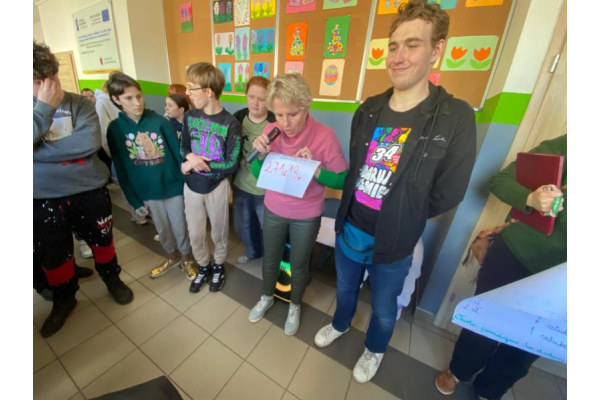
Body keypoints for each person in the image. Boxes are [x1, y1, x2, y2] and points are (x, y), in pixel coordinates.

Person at [313, 0, 477, 384]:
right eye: (393, 46)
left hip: (396, 240)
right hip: (351, 227)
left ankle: (375, 348)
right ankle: (340, 323)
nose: (398, 57)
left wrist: (407, 212)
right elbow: (356, 172)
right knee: (345, 288)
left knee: (385, 306)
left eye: (413, 45)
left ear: (436, 50)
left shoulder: (455, 116)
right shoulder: (369, 109)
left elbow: (449, 190)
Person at [435, 134, 567, 400]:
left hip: (566, 280)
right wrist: (530, 198)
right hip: (515, 255)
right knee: (484, 324)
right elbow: (501, 180)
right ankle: (459, 371)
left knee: (528, 346)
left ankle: (491, 389)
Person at [33, 42, 134, 337]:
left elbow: (88, 143)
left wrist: (37, 150)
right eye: (38, 82)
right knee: (54, 252)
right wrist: (43, 110)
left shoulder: (80, 104)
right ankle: (64, 298)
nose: (48, 87)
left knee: (102, 241)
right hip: (43, 198)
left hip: (90, 191)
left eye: (51, 77)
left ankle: (112, 279)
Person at [247, 73, 348, 336]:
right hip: (274, 207)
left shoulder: (324, 136)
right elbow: (259, 174)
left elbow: (342, 179)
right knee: (271, 258)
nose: (285, 122)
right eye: (279, 114)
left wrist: (316, 170)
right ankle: (267, 297)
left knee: (299, 264)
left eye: (292, 114)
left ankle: (294, 305)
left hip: (306, 213)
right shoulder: (271, 131)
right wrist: (261, 156)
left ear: (306, 107)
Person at [106, 72, 196, 280]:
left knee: (180, 226)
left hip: (173, 187)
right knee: (163, 230)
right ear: (116, 99)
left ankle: (187, 259)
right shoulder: (115, 129)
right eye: (129, 98)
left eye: (139, 96)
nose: (137, 102)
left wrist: (186, 186)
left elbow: (178, 156)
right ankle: (172, 257)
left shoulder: (160, 122)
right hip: (147, 191)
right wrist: (133, 199)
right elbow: (121, 167)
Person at [181, 62, 241, 293]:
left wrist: (196, 163)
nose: (188, 93)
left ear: (208, 91)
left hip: (217, 186)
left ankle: (218, 265)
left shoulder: (231, 123)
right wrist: (189, 157)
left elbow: (231, 163)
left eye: (192, 88)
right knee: (195, 233)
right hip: (192, 186)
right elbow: (183, 146)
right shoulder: (189, 116)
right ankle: (204, 266)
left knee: (218, 232)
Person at [232, 76, 276, 265]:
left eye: (261, 99)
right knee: (242, 224)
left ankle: (272, 259)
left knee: (269, 228)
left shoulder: (275, 123)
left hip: (266, 189)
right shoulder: (238, 118)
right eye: (251, 97)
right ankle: (252, 251)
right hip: (241, 184)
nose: (255, 103)